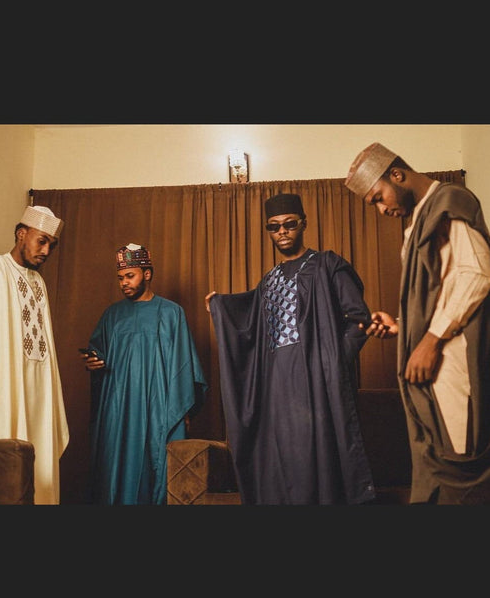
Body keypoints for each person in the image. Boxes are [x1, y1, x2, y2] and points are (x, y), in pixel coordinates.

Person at [205, 192, 376, 505]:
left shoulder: (327, 265)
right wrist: (219, 308)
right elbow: (248, 328)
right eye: (274, 227)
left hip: (317, 379)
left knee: (316, 456)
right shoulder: (268, 281)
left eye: (289, 224)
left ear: (303, 224)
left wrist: (332, 362)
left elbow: (359, 320)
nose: (282, 231)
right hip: (276, 385)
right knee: (283, 461)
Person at [345, 142, 490, 504]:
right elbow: (443, 291)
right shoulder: (417, 224)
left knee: (461, 473)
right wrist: (401, 326)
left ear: (397, 174)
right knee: (435, 468)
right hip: (434, 366)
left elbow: (476, 276)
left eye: (378, 198)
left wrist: (430, 340)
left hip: (456, 365)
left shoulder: (451, 202)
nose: (381, 210)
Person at [0, 205, 69, 505]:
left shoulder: (39, 284)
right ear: (22, 234)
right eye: (41, 241)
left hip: (37, 398)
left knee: (38, 464)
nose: (46, 250)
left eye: (51, 245)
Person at [81, 243, 208, 505]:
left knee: (155, 467)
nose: (124, 283)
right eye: (120, 278)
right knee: (115, 465)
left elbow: (185, 365)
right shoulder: (112, 316)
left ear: (147, 274)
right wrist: (92, 363)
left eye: (130, 276)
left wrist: (182, 410)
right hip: (119, 408)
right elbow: (97, 353)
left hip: (158, 407)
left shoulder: (172, 313)